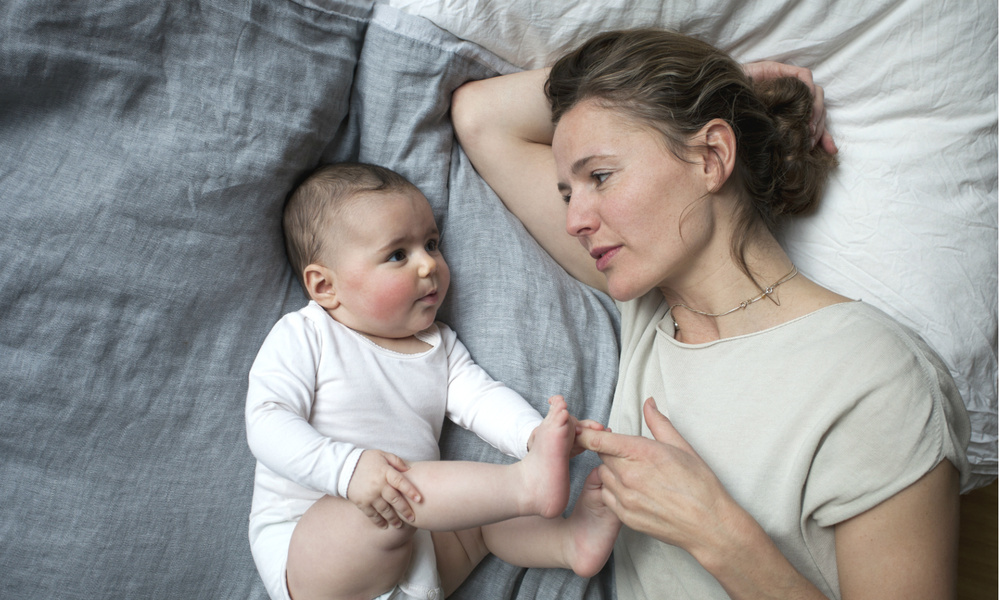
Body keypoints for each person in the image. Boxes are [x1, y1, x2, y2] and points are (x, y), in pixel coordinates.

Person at [451, 28, 971, 600]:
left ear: (712, 157)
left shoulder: (878, 379)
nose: (575, 219)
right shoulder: (649, 308)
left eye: (599, 176)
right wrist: (738, 89)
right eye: (567, 193)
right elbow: (480, 116)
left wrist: (718, 534)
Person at [245, 162, 620, 600]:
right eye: (397, 255)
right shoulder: (306, 334)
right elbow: (267, 422)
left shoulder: (437, 345)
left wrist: (535, 437)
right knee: (394, 494)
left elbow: (481, 399)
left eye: (432, 244)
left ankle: (567, 543)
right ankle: (525, 486)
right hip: (316, 548)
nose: (429, 265)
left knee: (478, 519)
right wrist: (347, 471)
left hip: (423, 556)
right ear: (325, 285)